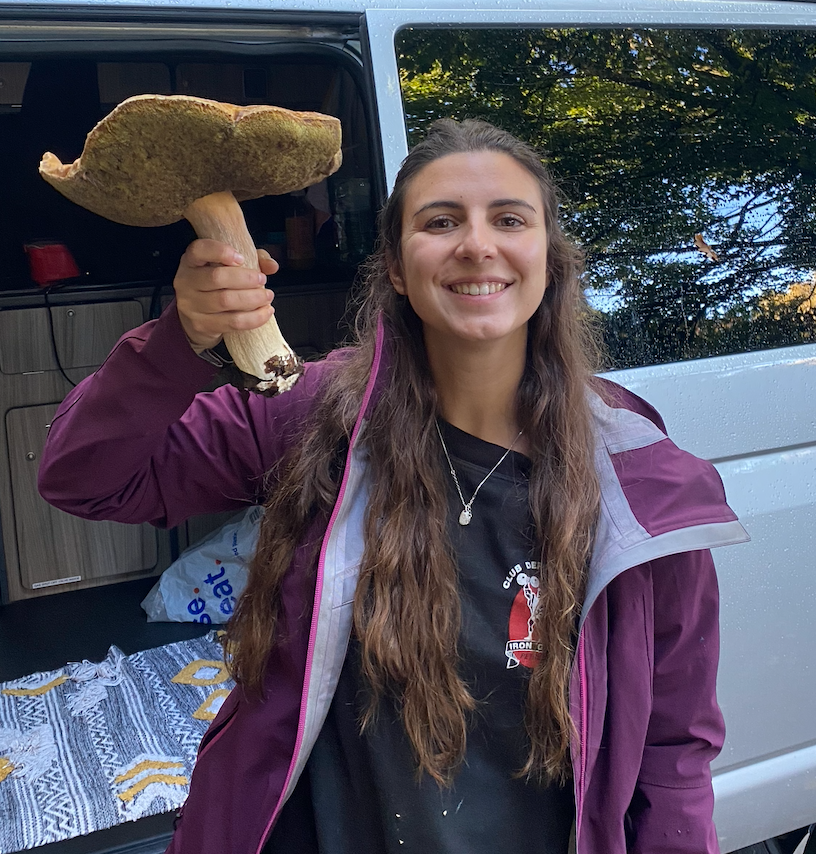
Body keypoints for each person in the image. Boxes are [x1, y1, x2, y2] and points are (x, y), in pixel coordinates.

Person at [38, 118, 748, 854]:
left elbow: (675, 743)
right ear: (400, 270)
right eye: (441, 222)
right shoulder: (311, 413)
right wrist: (178, 346)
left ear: (549, 258)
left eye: (509, 219)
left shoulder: (638, 475)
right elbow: (86, 480)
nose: (477, 244)